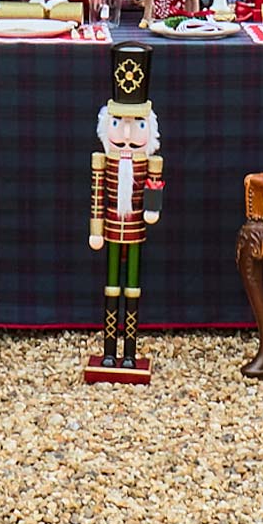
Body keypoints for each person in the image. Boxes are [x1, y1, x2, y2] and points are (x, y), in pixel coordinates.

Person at [86, 41, 164, 379]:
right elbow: (96, 196)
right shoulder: (103, 163)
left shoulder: (151, 162)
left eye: (137, 126)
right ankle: (108, 350)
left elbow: (154, 189)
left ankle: (128, 351)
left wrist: (152, 207)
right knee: (111, 287)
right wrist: (95, 228)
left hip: (134, 227)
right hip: (111, 226)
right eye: (120, 125)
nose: (128, 136)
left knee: (131, 287)